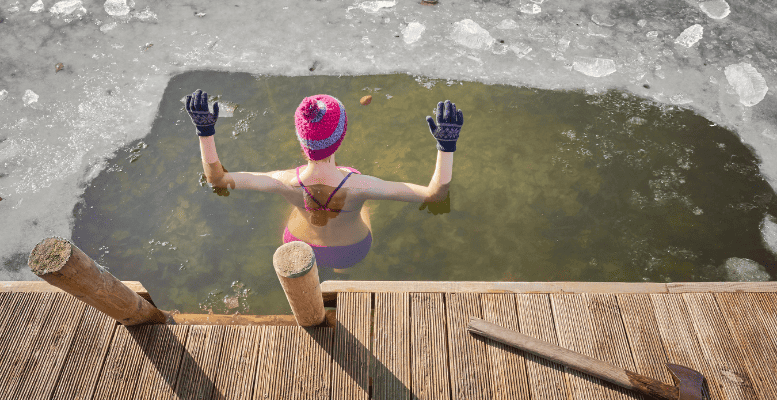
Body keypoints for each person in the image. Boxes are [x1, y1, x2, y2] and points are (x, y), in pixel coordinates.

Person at [186, 89, 463, 270]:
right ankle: (340, 271)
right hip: (350, 252)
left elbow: (218, 179)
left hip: (297, 246)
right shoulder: (361, 185)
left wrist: (204, 130)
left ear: (301, 140)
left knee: (297, 202)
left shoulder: (282, 180)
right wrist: (446, 147)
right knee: (363, 205)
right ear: (341, 136)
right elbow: (434, 195)